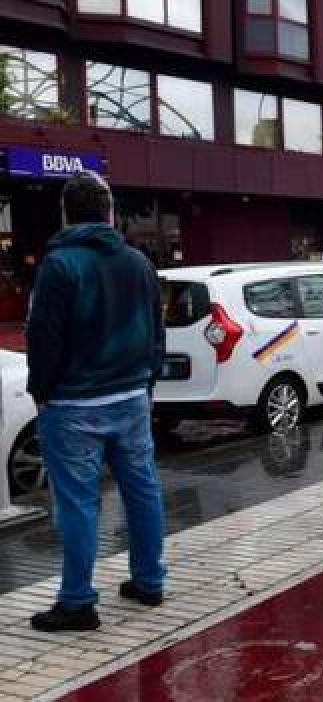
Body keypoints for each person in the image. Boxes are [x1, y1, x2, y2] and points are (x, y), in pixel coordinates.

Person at [25, 171, 167, 632]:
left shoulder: (60, 265)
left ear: (66, 213)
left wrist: (41, 393)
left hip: (72, 406)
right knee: (142, 490)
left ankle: (78, 602)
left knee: (78, 503)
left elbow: (43, 339)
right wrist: (148, 384)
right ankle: (148, 581)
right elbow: (156, 332)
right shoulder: (138, 262)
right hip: (130, 398)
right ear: (109, 213)